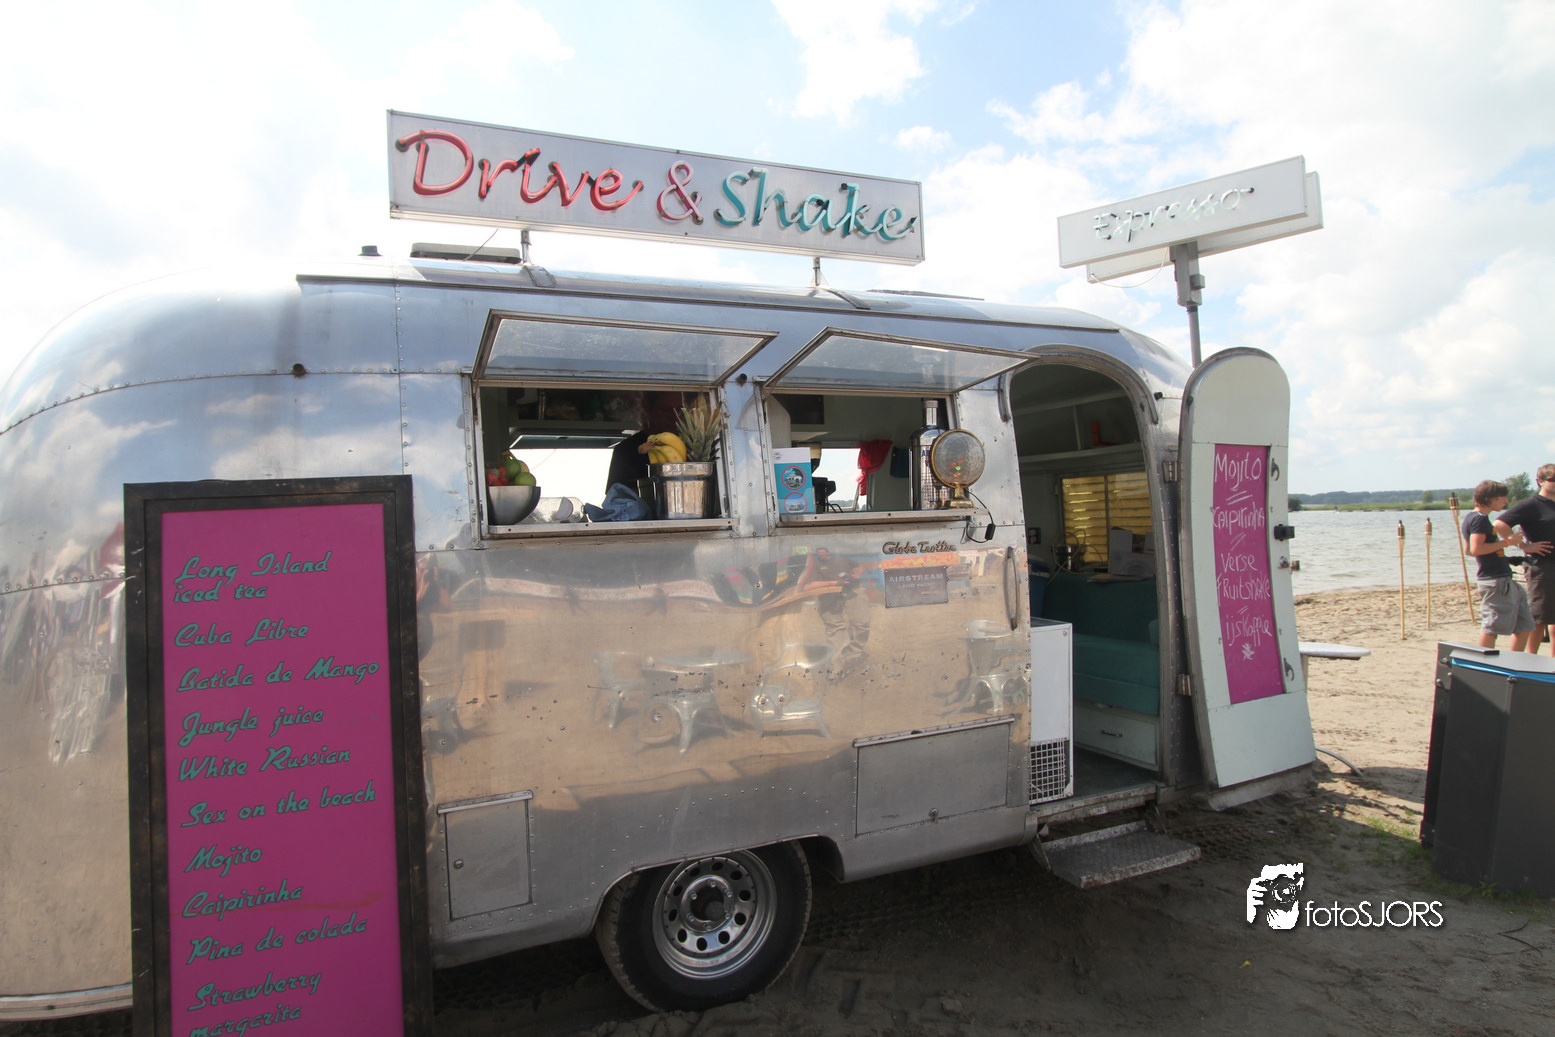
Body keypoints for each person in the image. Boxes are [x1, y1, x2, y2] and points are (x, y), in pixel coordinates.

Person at [1462, 479, 1535, 651]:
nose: (1506, 501)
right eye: (1503, 497)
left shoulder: (1473, 518)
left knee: (1525, 624)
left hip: (1503, 577)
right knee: (1492, 626)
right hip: (1495, 580)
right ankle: (1483, 662)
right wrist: (1508, 542)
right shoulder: (1479, 519)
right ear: (1491, 498)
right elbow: (1475, 548)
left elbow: (1470, 551)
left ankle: (1515, 661)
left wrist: (1504, 557)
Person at [1494, 464, 1555, 654]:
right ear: (1541, 481)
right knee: (1539, 617)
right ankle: (1531, 659)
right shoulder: (1531, 505)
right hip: (1542, 565)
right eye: (1553, 479)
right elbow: (1500, 524)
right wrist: (1523, 546)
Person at [797, 547, 871, 678]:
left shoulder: (841, 558)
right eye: (819, 552)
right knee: (835, 629)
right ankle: (836, 667)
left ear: (828, 551)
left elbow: (858, 567)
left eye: (823, 551)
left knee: (862, 622)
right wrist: (835, 582)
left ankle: (854, 654)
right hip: (829, 594)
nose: (821, 553)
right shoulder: (814, 565)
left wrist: (856, 575)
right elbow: (807, 586)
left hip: (853, 589)